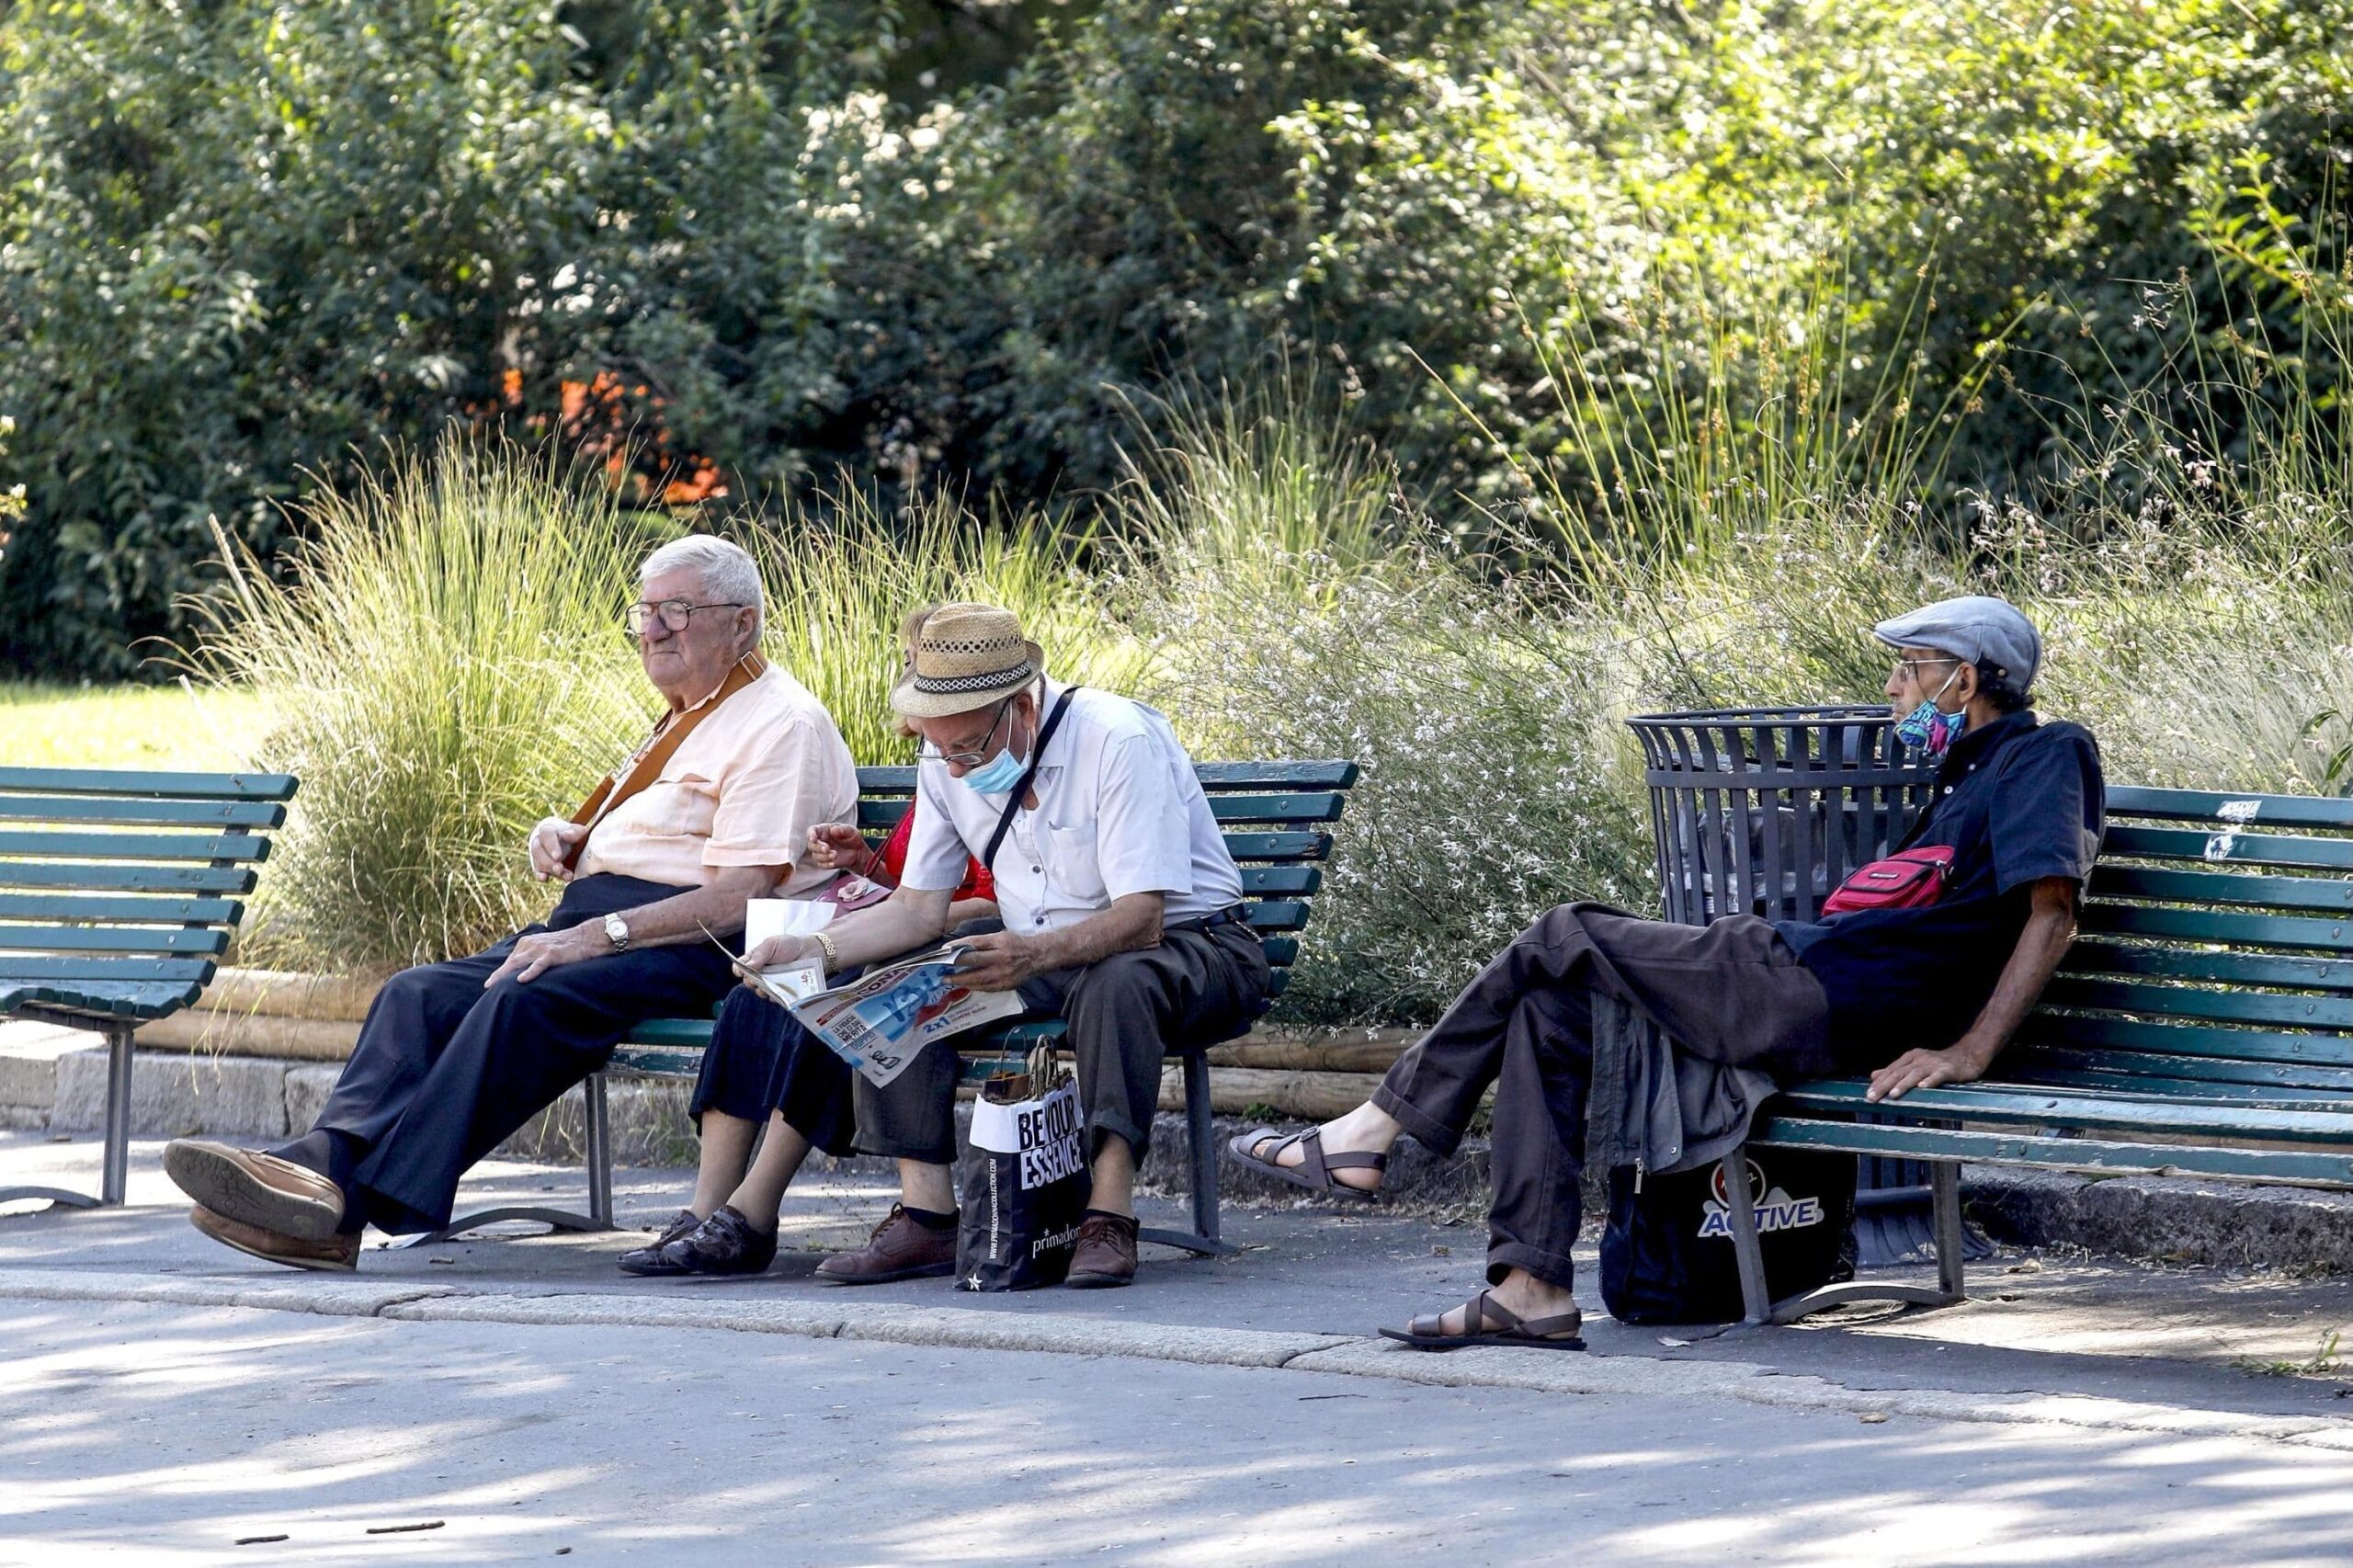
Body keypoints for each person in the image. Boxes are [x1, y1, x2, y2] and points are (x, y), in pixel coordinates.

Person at [1231, 595, 2102, 1348]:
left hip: (1816, 992)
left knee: (1562, 931)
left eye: (1912, 669)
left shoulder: (2046, 754)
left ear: (1970, 678)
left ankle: (1371, 1132)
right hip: (1808, 977)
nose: (1894, 689)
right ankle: (1528, 1290)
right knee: (1550, 1008)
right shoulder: (1960, 776)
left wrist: (1970, 1052)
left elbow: (2052, 912)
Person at [163, 536, 859, 1270]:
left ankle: (339, 1208)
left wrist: (597, 934)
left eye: (677, 611)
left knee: (520, 998)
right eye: (646, 611)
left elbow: (735, 895)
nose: (652, 630)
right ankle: (320, 1166)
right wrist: (573, 838)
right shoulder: (692, 712)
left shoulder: (781, 722)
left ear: (742, 624)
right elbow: (671, 830)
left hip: (697, 945)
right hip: (609, 923)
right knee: (417, 994)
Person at [653, 600, 1268, 1290]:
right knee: (911, 972)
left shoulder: (1117, 741)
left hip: (1192, 948)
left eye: (970, 747)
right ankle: (928, 1216)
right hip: (1047, 948)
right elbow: (917, 912)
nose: (955, 764)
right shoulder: (944, 753)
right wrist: (815, 950)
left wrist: (1030, 954)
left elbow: (1140, 920)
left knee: (1116, 980)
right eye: (940, 747)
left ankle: (1107, 1215)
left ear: (1023, 709)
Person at [619, 608, 997, 1278]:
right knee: (757, 996)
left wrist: (883, 920)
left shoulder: (986, 753)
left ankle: (752, 1213)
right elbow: (910, 881)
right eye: (910, 662)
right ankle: (709, 1210)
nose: (913, 677)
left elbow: (991, 899)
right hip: (899, 927)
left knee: (829, 1000)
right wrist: (863, 863)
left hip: (958, 942)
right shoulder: (942, 754)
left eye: (921, 664)